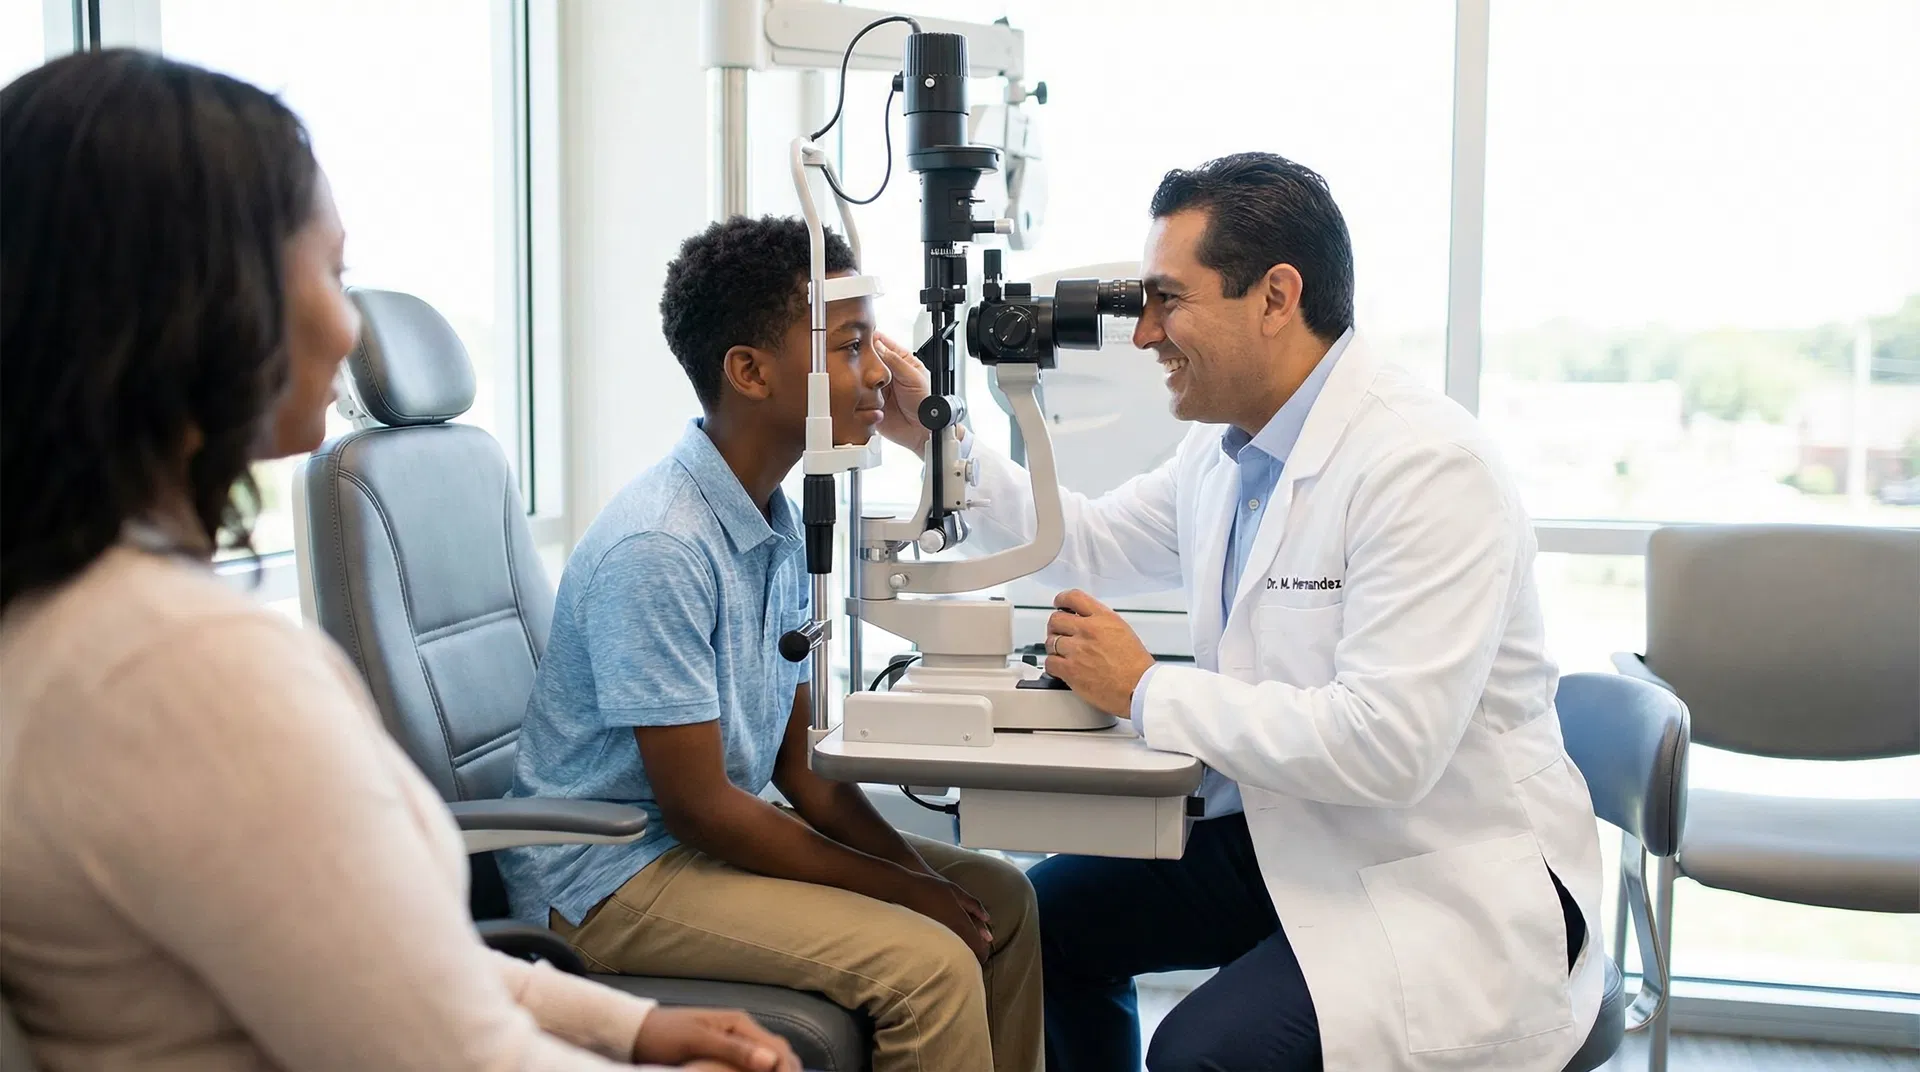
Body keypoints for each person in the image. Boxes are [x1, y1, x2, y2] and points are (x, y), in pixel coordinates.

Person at [0, 50, 796, 1072]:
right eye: (328, 274)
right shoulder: (181, 668)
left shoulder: (70, 615)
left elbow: (360, 943)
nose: (347, 327)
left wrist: (624, 1024)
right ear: (193, 304)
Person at [871, 152, 1605, 1072]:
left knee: (1204, 1053)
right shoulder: (1227, 456)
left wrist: (1145, 689)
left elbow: (1389, 746)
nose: (1142, 335)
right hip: (1294, 829)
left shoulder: (1424, 467)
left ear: (1275, 296)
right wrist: (942, 441)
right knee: (1036, 925)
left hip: (1440, 869)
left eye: (1167, 300)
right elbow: (1083, 540)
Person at [498, 216, 1043, 1072]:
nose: (882, 375)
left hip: (695, 844)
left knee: (1001, 896)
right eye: (852, 345)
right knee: (928, 966)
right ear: (750, 371)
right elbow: (702, 807)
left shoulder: (774, 516)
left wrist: (928, 882)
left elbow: (799, 773)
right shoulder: (662, 546)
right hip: (609, 880)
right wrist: (907, 895)